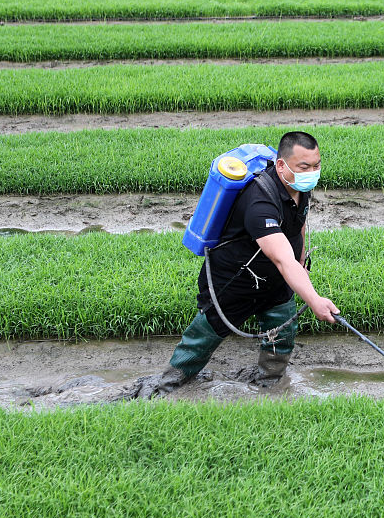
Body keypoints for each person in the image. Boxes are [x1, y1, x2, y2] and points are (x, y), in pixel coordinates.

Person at [130, 131, 339, 399]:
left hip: (275, 281)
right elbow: (282, 259)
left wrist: (301, 264)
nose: (312, 172)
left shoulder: (300, 187)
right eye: (304, 167)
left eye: (316, 165)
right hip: (235, 281)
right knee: (203, 337)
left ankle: (270, 385)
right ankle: (167, 387)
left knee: (282, 332)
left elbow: (297, 225)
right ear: (281, 165)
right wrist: (314, 299)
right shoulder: (259, 201)